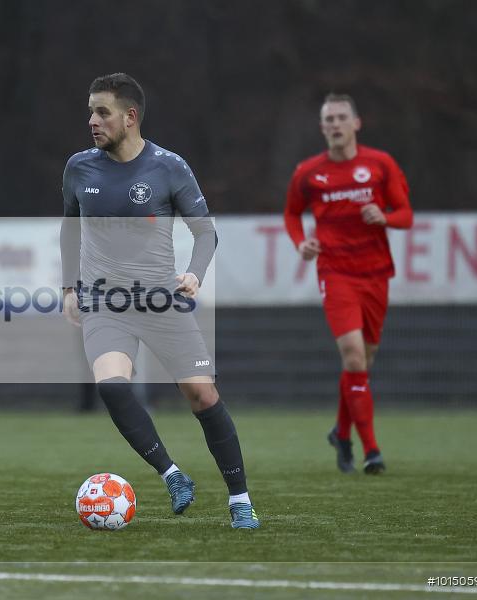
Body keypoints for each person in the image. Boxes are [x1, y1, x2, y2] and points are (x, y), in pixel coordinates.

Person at [60, 73, 260, 529]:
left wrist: (194, 273)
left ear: (130, 117)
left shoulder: (169, 167)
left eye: (102, 111)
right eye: (91, 110)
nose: (92, 120)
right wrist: (69, 287)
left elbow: (206, 232)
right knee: (112, 386)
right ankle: (172, 476)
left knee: (202, 395)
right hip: (104, 302)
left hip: (160, 302)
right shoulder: (79, 168)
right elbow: (69, 228)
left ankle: (240, 500)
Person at [284, 93, 413, 475]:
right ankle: (371, 450)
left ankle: (341, 432)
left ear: (356, 123)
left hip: (375, 273)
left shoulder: (380, 164)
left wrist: (385, 217)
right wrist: (301, 243)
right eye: (329, 119)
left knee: (363, 361)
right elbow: (292, 214)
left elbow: (405, 214)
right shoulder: (308, 172)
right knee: (354, 355)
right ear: (322, 127)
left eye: (342, 117)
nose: (336, 124)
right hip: (335, 272)